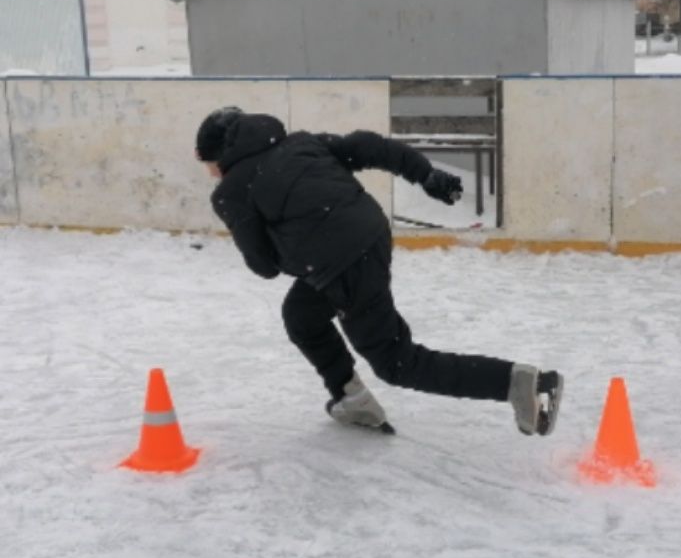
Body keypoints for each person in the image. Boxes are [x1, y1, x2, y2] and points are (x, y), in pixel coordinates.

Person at [195, 107, 563, 436]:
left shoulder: (230, 191)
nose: (210, 173)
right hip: (370, 233)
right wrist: (426, 174)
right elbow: (367, 145)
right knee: (301, 315)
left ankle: (521, 384)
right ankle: (350, 398)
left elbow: (263, 266)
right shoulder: (301, 143)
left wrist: (291, 247)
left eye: (207, 164)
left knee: (397, 363)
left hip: (339, 260)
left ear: (218, 157)